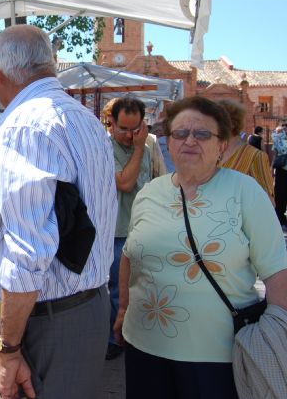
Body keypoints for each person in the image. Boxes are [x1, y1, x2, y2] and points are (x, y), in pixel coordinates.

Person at [0, 24, 116, 399]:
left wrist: (10, 348)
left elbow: (29, 253)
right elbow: (70, 209)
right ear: (49, 65)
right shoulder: (84, 118)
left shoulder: (24, 125)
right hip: (84, 309)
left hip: (51, 321)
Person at [113, 96, 287, 398]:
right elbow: (130, 255)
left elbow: (277, 272)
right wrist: (123, 310)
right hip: (144, 347)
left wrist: (277, 332)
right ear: (169, 142)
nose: (189, 140)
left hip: (217, 357)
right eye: (180, 133)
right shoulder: (150, 193)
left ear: (221, 145)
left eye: (203, 134)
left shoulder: (246, 192)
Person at [107, 97, 166, 359]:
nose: (131, 136)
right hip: (117, 231)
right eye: (124, 129)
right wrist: (140, 146)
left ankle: (139, 336)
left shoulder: (151, 144)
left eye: (136, 129)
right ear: (111, 124)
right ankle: (114, 339)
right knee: (117, 290)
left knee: (144, 285)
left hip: (146, 229)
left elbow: (160, 181)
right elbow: (125, 182)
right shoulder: (104, 147)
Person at [217, 99, 274, 204]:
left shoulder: (255, 157)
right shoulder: (210, 154)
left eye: (216, 120)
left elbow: (268, 202)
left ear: (232, 123)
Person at [272, 123, 287, 229]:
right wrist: (272, 169)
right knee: (280, 195)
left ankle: (282, 220)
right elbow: (275, 155)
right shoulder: (278, 141)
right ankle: (281, 220)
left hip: (282, 170)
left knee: (281, 195)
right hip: (281, 170)